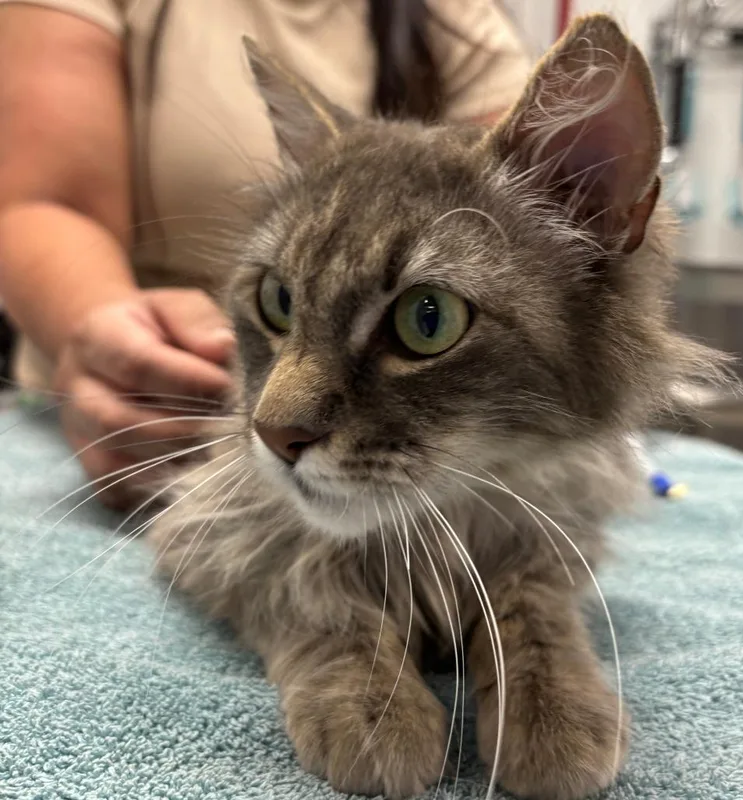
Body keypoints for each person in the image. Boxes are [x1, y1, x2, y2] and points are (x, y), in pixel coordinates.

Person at [0, 0, 530, 507]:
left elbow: (529, 244)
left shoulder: (455, 12)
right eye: (278, 300)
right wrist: (102, 333)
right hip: (120, 410)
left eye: (426, 322)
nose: (283, 414)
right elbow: (41, 201)